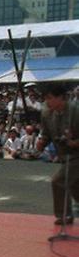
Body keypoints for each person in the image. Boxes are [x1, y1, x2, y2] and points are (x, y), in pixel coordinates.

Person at [37, 82, 78, 225]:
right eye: (46, 98)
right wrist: (41, 142)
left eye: (50, 98)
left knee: (59, 181)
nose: (47, 102)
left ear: (61, 98)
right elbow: (46, 133)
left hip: (77, 156)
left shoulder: (75, 111)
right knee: (75, 186)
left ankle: (64, 215)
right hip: (65, 156)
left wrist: (74, 142)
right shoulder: (46, 113)